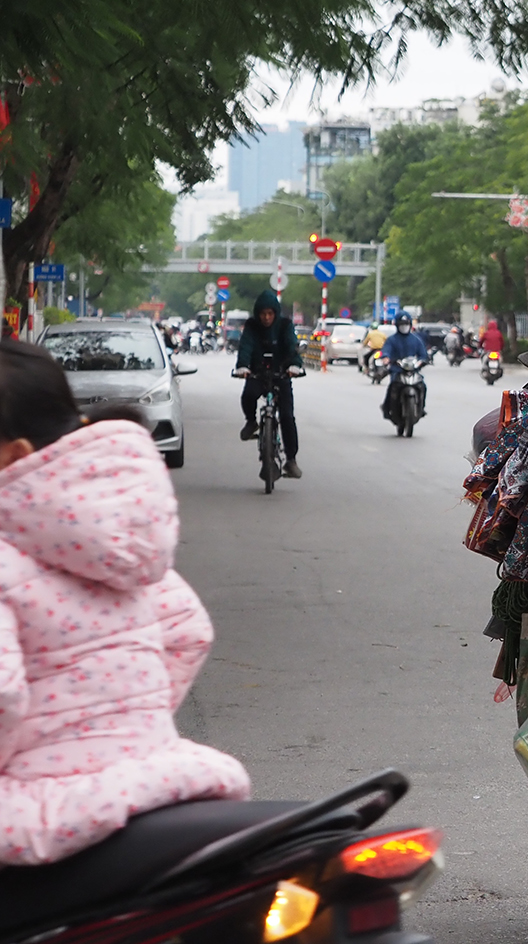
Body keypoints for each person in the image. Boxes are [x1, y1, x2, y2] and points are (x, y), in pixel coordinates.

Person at [0, 339, 250, 867]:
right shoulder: (108, 530)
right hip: (155, 772)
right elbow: (186, 629)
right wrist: (122, 725)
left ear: (16, 453)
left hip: (41, 803)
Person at [234, 289, 304, 478]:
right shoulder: (251, 327)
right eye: (262, 314)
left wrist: (294, 366)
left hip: (281, 374)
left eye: (270, 313)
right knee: (248, 395)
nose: (266, 318)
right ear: (257, 314)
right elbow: (246, 346)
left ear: (276, 313)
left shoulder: (285, 326)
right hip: (258, 374)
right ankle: (251, 422)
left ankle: (291, 460)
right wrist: (242, 366)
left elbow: (292, 347)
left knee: (287, 417)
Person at [380, 311, 428, 419]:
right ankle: (387, 408)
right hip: (397, 370)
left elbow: (423, 354)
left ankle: (421, 408)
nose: (404, 327)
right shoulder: (392, 340)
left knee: (422, 386)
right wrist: (386, 358)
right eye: (401, 324)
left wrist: (423, 360)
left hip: (412, 370)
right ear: (397, 325)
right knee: (393, 386)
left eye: (406, 324)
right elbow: (386, 350)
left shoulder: (416, 340)